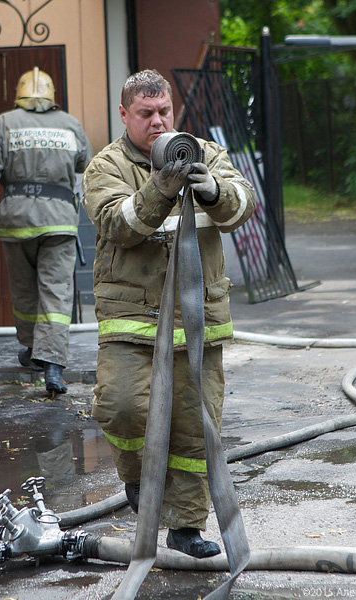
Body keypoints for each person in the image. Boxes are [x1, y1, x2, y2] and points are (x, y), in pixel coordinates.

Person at [81, 70, 256, 558]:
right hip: (131, 319)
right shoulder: (106, 166)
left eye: (164, 112)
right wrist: (160, 186)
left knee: (196, 426)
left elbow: (244, 206)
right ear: (124, 115)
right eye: (145, 114)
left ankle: (186, 527)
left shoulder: (206, 152)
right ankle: (137, 478)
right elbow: (119, 225)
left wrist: (213, 190)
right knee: (121, 406)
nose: (158, 123)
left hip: (198, 319)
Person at [0, 67, 92, 394]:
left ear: (18, 93)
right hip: (59, 221)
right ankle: (53, 365)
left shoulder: (3, 124)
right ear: (51, 95)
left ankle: (33, 350)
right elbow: (84, 163)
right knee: (56, 293)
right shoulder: (70, 124)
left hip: (16, 222)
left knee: (24, 292)